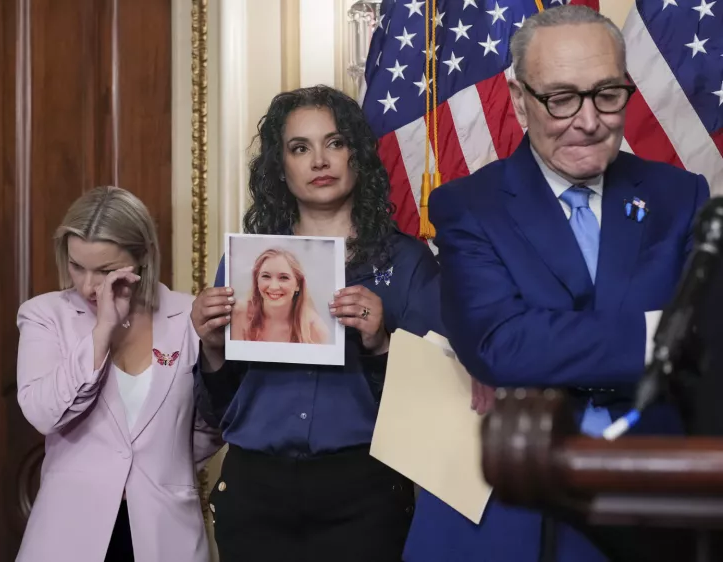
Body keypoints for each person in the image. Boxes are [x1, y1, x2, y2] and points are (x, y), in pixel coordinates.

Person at [404, 6, 710, 562]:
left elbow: (711, 344)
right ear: (521, 100)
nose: (588, 120)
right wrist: (659, 337)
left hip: (651, 503)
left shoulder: (681, 196)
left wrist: (550, 343)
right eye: (561, 98)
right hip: (517, 510)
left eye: (607, 94)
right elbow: (501, 345)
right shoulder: (468, 206)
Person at [191, 85, 442, 562]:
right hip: (255, 493)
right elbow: (218, 409)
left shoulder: (407, 262)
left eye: (335, 143)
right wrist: (211, 348)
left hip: (364, 491)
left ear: (356, 156)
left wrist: (382, 343)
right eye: (300, 148)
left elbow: (440, 404)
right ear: (280, 169)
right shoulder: (248, 264)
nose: (319, 161)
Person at [15, 186, 223, 562]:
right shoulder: (45, 316)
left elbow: (212, 423)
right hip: (69, 535)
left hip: (166, 532)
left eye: (106, 270)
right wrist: (102, 333)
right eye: (77, 266)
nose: (88, 285)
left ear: (142, 257)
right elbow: (43, 414)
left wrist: (162, 465)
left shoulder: (187, 316)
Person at [230, 247, 331, 344]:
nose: (274, 287)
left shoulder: (315, 329)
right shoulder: (239, 314)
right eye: (266, 276)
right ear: (256, 281)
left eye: (283, 278)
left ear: (298, 285)